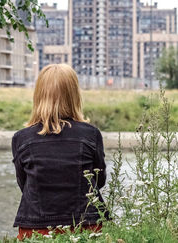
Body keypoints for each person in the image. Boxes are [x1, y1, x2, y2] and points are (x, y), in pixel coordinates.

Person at [11, 64, 108, 240]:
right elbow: (98, 180)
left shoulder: (21, 139)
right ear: (74, 95)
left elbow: (24, 185)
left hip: (36, 228)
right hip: (85, 226)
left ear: (38, 95)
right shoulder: (91, 134)